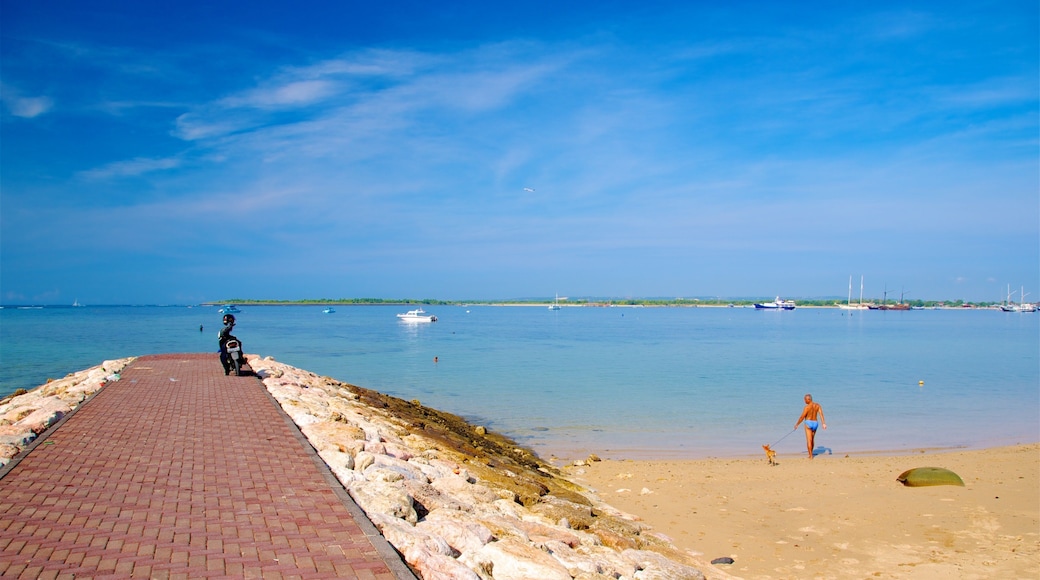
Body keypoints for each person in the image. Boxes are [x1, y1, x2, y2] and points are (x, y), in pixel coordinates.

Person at [794, 393, 826, 459]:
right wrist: (823, 423)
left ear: (808, 399)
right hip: (815, 423)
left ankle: (810, 455)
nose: (804, 401)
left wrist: (797, 424)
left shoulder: (807, 407)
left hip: (808, 423)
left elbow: (802, 417)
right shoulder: (817, 405)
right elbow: (821, 414)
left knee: (809, 440)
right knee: (812, 439)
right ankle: (811, 453)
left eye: (805, 400)